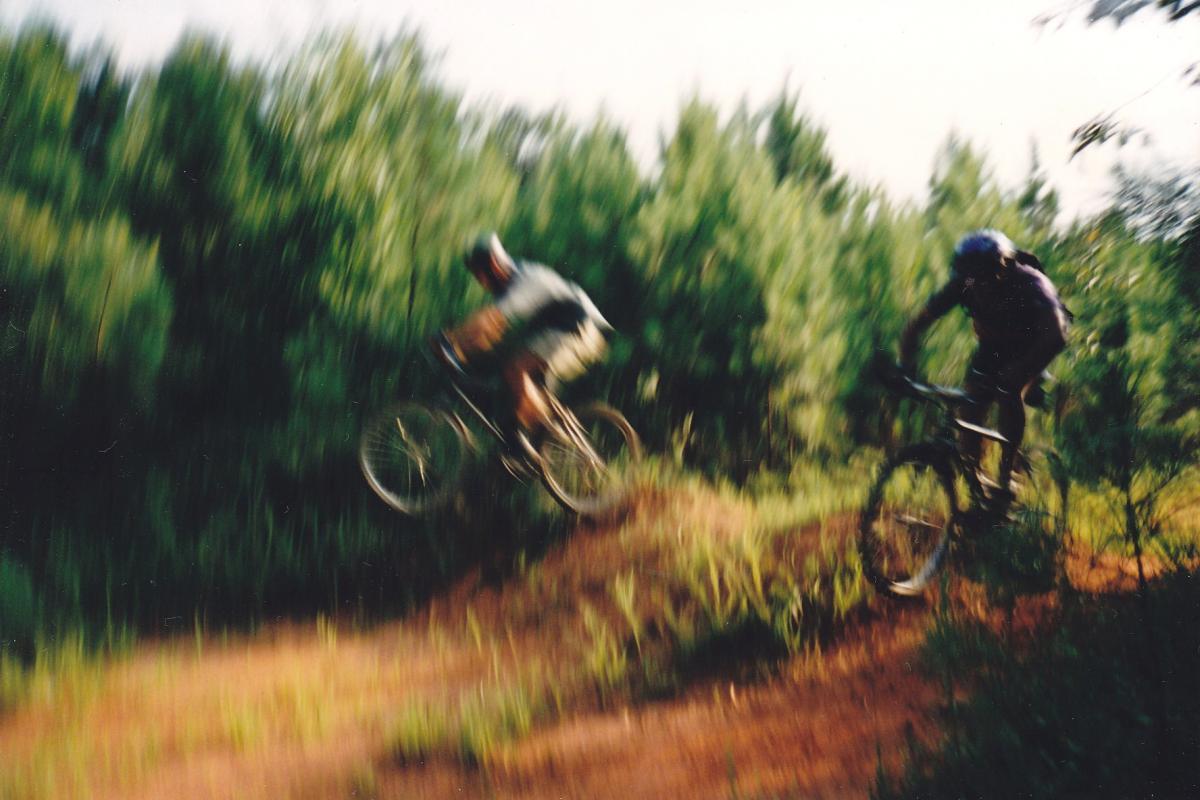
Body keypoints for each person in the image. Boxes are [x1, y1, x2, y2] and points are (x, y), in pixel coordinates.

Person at [899, 229, 1070, 500]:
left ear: (1003, 270)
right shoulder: (963, 284)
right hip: (993, 347)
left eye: (985, 277)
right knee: (970, 405)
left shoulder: (1031, 283)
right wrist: (905, 369)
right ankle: (977, 483)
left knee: (1008, 390)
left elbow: (1057, 334)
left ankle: (1007, 475)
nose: (978, 284)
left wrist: (1021, 371)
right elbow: (916, 326)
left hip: (1035, 345)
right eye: (971, 278)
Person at [432, 233, 611, 457]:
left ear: (494, 265)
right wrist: (459, 353)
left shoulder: (524, 281)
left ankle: (538, 440)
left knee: (515, 369)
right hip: (563, 331)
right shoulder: (507, 284)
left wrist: (450, 339)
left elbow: (490, 319)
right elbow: (489, 334)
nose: (480, 281)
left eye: (480, 274)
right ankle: (534, 441)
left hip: (582, 329)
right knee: (511, 376)